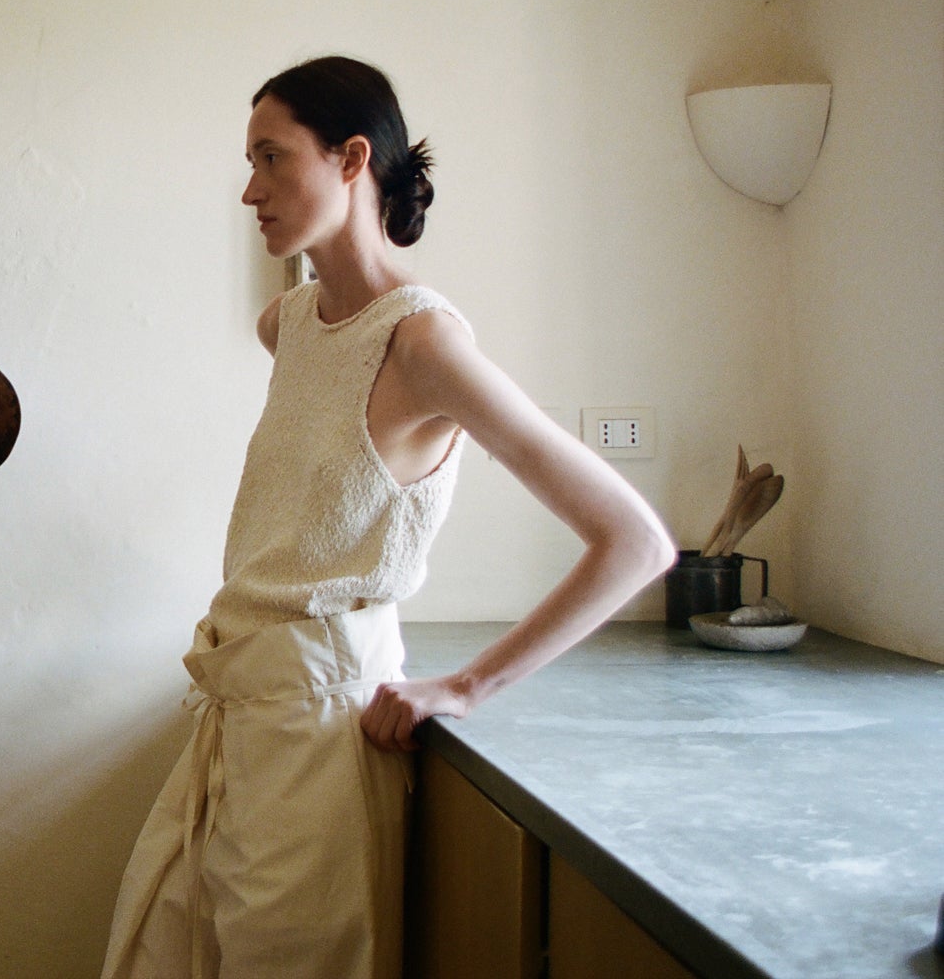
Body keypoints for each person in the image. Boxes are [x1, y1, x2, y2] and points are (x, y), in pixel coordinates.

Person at [99, 56, 675, 979]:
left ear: (351, 158)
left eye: (272, 159)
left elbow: (635, 541)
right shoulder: (287, 326)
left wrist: (467, 687)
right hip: (240, 718)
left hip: (324, 743)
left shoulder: (422, 342)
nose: (251, 190)